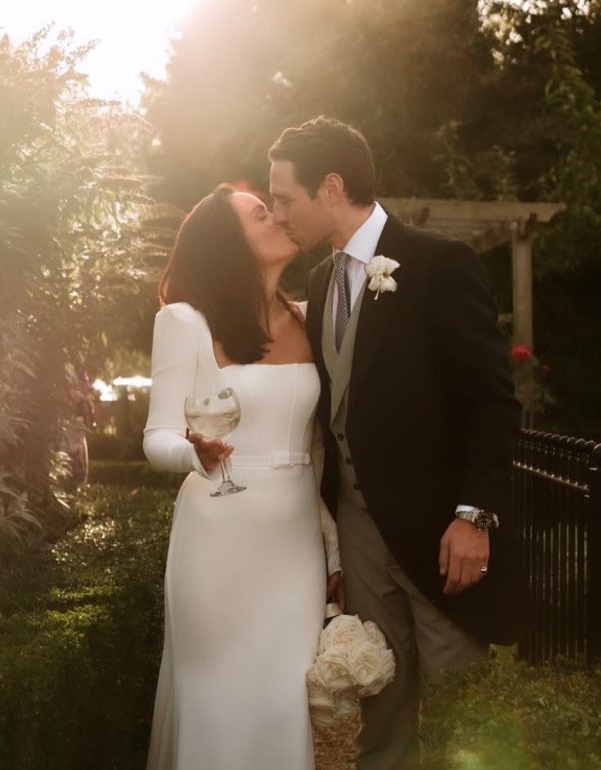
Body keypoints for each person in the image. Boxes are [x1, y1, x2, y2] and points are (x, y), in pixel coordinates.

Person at [269, 116, 526, 770]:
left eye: (284, 198)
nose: (278, 213)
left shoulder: (440, 265)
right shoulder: (322, 283)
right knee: (379, 708)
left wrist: (474, 516)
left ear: (330, 187)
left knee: (460, 709)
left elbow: (492, 400)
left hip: (439, 535)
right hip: (359, 531)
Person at [143, 184, 343, 770]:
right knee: (219, 709)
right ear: (228, 241)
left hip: (293, 547)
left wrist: (334, 554)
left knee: (283, 709)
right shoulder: (186, 321)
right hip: (218, 540)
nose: (279, 216)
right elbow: (156, 438)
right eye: (262, 213)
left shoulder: (307, 317)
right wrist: (195, 454)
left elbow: (318, 455)